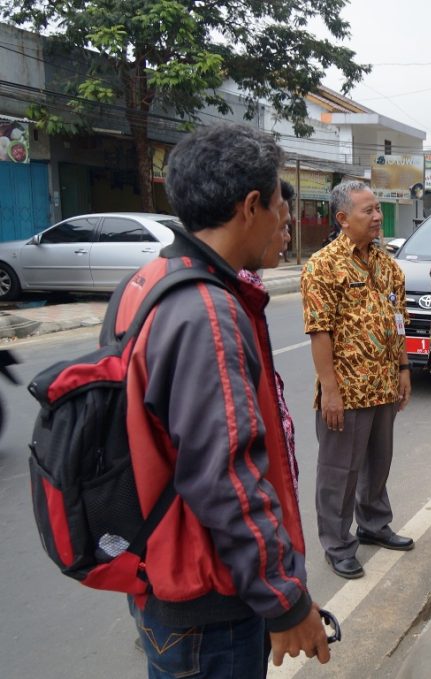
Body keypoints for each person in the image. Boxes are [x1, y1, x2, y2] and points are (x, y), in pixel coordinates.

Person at [120, 123, 329, 677]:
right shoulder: (208, 313)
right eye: (282, 205)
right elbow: (228, 480)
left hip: (162, 575)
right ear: (252, 205)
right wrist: (285, 601)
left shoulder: (148, 281)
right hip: (210, 601)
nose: (287, 221)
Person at [301, 180, 414, 580]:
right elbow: (320, 332)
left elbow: (397, 322)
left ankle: (374, 524)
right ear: (343, 218)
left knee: (377, 464)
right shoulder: (323, 266)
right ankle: (337, 543)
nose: (378, 217)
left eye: (378, 209)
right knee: (339, 472)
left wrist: (403, 369)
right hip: (345, 391)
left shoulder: (387, 265)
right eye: (368, 211)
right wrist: (329, 391)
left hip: (383, 383)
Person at [238, 180, 299, 494]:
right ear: (251, 209)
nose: (286, 236)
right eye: (282, 222)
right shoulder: (220, 302)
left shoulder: (245, 290)